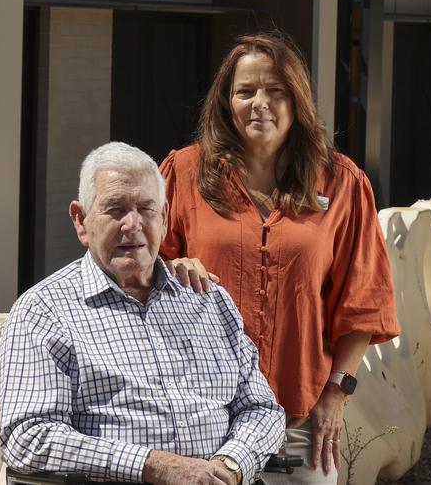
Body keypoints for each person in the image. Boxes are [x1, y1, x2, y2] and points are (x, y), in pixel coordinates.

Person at [160, 33, 401, 484]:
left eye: (275, 90)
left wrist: (335, 396)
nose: (260, 104)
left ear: (298, 99)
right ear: (226, 101)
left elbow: (363, 304)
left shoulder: (343, 183)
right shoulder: (184, 174)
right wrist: (171, 268)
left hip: (300, 420)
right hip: (202, 420)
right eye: (245, 91)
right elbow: (135, 277)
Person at [0, 142, 285, 485]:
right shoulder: (43, 311)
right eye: (115, 209)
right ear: (81, 220)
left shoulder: (208, 300)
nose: (132, 224)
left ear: (163, 218)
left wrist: (229, 466)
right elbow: (28, 437)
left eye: (146, 209)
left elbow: (261, 409)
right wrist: (152, 466)